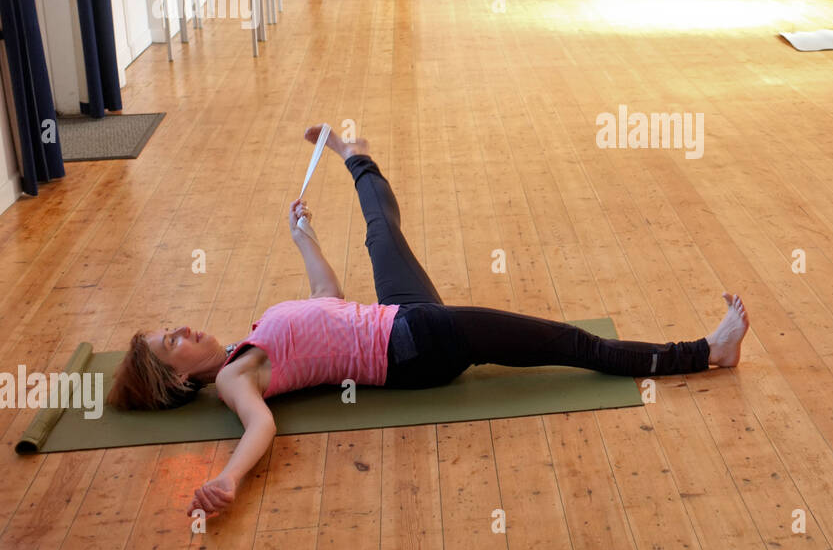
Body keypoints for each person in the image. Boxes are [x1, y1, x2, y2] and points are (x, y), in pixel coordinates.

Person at [107, 125, 749, 518]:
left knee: (382, 231)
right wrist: (227, 479)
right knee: (566, 342)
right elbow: (260, 426)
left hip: (400, 321)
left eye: (173, 328)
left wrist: (303, 237)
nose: (184, 330)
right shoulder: (233, 380)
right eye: (174, 344)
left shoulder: (249, 339)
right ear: (178, 380)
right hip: (416, 349)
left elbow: (327, 299)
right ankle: (704, 354)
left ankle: (354, 156)